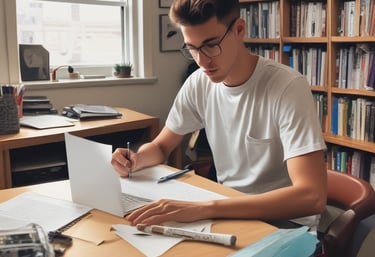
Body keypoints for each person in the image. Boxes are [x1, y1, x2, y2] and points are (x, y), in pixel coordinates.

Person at [111, 0, 327, 230]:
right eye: (192, 48)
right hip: (227, 210)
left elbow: (311, 197)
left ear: (239, 30)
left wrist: (206, 208)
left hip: (282, 222)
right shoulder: (199, 83)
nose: (202, 61)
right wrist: (135, 160)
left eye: (211, 45)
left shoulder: (287, 87)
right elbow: (162, 146)